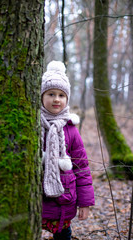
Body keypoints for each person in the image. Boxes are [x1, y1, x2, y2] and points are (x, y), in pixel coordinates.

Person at [41, 61, 95, 240]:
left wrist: (85, 203)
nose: (57, 99)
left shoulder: (71, 129)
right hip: (37, 201)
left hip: (63, 200)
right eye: (51, 94)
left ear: (67, 99)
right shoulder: (34, 125)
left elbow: (82, 167)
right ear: (41, 97)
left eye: (61, 95)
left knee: (63, 236)